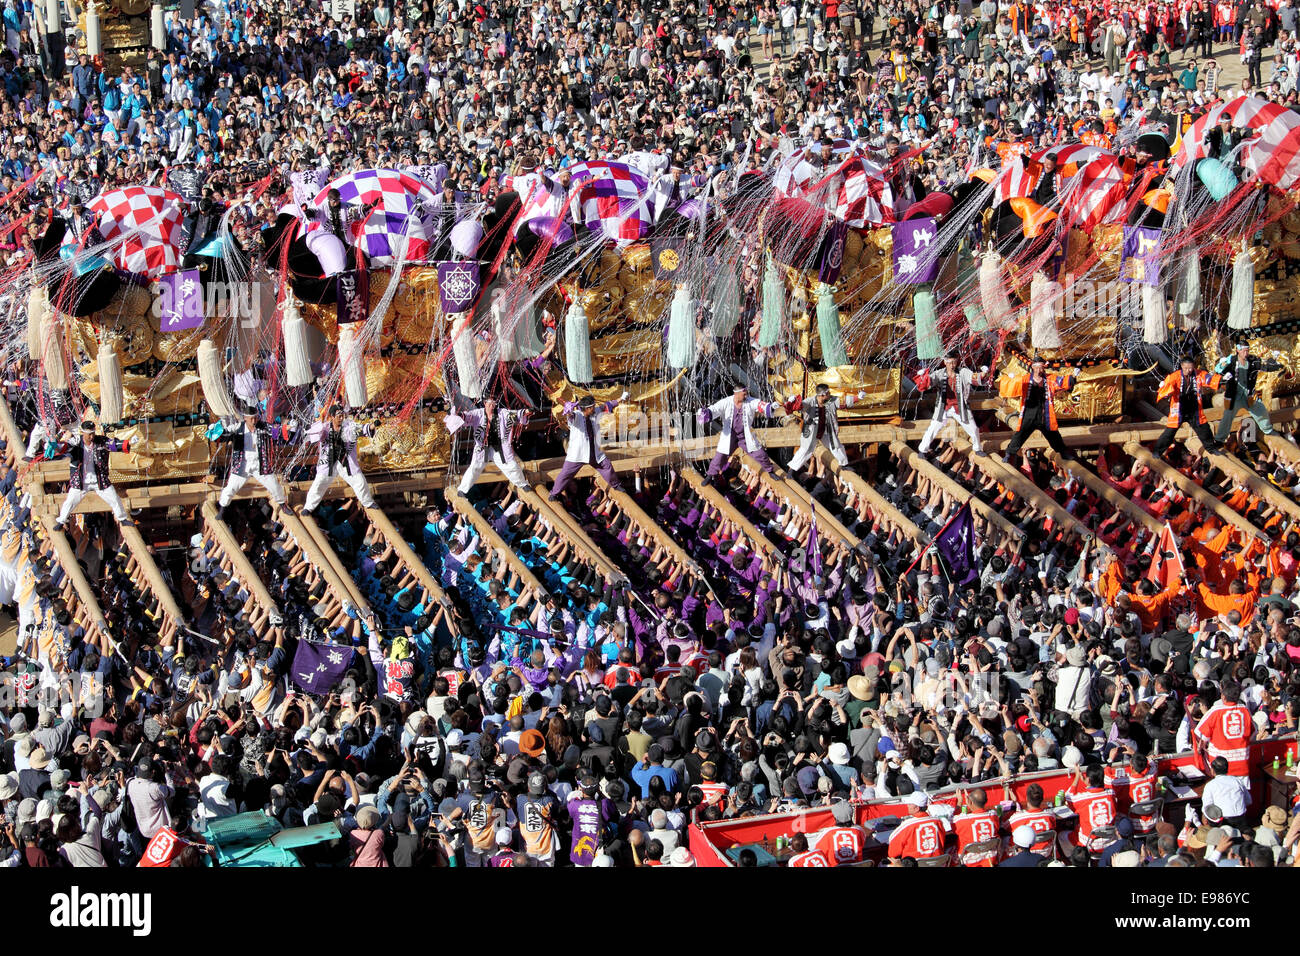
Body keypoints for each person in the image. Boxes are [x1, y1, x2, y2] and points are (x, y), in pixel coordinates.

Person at [52, 420, 132, 532]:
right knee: (70, 501)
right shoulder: (76, 441)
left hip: (99, 479)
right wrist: (55, 446)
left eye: (93, 433)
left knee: (114, 498)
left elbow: (112, 444)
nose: (91, 436)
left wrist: (125, 444)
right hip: (81, 480)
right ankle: (61, 521)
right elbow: (65, 447)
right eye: (89, 434)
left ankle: (122, 518)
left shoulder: (100, 441)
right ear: (83, 432)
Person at [213, 405, 289, 517]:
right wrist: (215, 431)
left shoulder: (262, 426)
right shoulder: (237, 428)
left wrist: (285, 428)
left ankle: (283, 505)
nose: (254, 421)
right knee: (231, 488)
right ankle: (222, 509)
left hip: (260, 463)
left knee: (274, 485)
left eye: (255, 418)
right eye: (251, 418)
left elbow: (274, 431)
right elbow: (224, 436)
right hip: (242, 464)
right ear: (245, 418)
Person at [549, 392, 628, 499]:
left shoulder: (595, 412)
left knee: (607, 466)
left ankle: (616, 485)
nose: (594, 408)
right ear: (587, 408)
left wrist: (621, 398)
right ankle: (554, 493)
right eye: (592, 407)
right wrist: (568, 411)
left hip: (594, 451)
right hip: (577, 454)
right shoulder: (576, 415)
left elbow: (607, 405)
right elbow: (570, 416)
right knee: (565, 475)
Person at [448, 397, 532, 495]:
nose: (492, 406)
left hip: (499, 447)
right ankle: (462, 489)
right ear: (485, 403)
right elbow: (467, 416)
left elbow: (515, 414)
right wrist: (459, 415)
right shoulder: (477, 413)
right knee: (475, 467)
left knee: (511, 466)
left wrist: (526, 411)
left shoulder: (502, 413)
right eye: (490, 404)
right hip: (483, 447)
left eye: (493, 404)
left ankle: (522, 484)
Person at [302, 405, 376, 515]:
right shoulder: (325, 428)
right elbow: (313, 434)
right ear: (332, 416)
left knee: (359, 481)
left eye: (342, 416)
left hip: (345, 461)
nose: (341, 418)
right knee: (319, 483)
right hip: (329, 462)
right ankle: (308, 507)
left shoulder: (349, 426)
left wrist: (371, 426)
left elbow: (360, 429)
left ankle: (368, 502)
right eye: (338, 416)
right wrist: (312, 430)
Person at [699, 385, 781, 482]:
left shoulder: (749, 401)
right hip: (731, 435)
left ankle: (770, 471)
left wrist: (770, 407)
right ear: (736, 393)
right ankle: (710, 475)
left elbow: (759, 404)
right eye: (744, 394)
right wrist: (706, 412)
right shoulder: (726, 402)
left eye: (746, 394)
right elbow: (715, 409)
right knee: (720, 455)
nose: (746, 396)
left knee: (760, 453)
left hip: (745, 436)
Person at [1004, 357, 1081, 458]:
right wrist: (1011, 380)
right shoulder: (1025, 379)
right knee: (1020, 433)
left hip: (1044, 412)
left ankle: (1063, 453)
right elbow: (1013, 387)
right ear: (1033, 367)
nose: (1039, 370)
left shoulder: (1050, 378)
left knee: (1053, 434)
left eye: (1041, 368)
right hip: (1029, 412)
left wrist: (1073, 376)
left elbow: (1061, 382)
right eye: (1037, 368)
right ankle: (1009, 453)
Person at [915, 354, 990, 457]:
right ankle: (922, 450)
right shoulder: (940, 373)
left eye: (954, 362)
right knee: (933, 428)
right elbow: (927, 383)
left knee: (973, 428)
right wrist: (923, 377)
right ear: (945, 362)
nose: (952, 365)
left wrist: (983, 373)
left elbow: (974, 378)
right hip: (943, 407)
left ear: (957, 362)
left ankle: (977, 448)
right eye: (949, 363)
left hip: (960, 407)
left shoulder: (963, 372)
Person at [1213, 339, 1283, 443]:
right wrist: (1224, 373)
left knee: (1261, 410)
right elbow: (1218, 369)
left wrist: (1276, 362)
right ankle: (1219, 439)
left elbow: (1265, 367)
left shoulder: (1253, 360)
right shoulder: (1231, 360)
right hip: (1234, 395)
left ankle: (1268, 430)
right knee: (1227, 416)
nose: (1246, 353)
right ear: (1238, 350)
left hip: (1249, 393)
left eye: (1247, 350)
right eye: (1244, 351)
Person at [1153, 356, 1224, 457]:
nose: (1188, 370)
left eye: (1190, 368)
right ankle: (1157, 451)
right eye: (1186, 368)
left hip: (1194, 407)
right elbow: (1167, 388)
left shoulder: (1199, 374)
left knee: (1204, 429)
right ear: (1182, 366)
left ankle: (1211, 449)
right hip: (1179, 408)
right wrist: (1166, 390)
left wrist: (1221, 380)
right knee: (1169, 432)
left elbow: (1209, 379)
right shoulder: (1175, 376)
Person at [786, 383, 851, 472]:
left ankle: (844, 464)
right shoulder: (810, 401)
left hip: (826, 430)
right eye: (828, 393)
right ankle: (792, 470)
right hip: (811, 431)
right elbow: (799, 406)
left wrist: (857, 398)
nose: (830, 394)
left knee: (836, 446)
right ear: (822, 395)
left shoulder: (831, 400)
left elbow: (843, 402)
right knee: (805, 449)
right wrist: (792, 403)